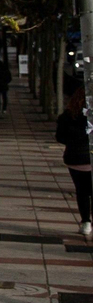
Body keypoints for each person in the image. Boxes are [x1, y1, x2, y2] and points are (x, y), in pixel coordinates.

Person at [56, 87, 92, 237]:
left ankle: (86, 222)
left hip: (76, 159)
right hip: (87, 158)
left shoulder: (67, 116)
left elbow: (60, 137)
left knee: (82, 191)